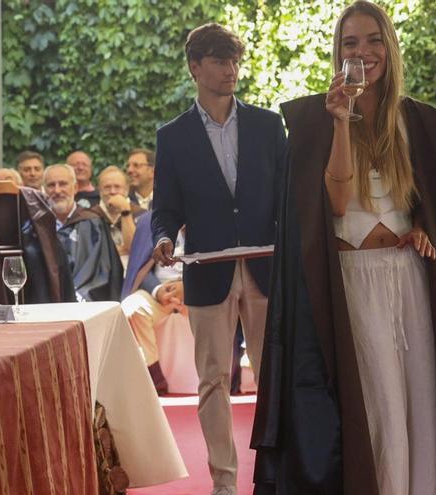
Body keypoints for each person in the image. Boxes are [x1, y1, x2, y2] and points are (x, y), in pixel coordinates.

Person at [250, 2, 436, 494]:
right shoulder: (314, 120)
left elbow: (429, 203)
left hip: (408, 276)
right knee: (374, 403)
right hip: (352, 283)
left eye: (374, 40)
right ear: (338, 52)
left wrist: (422, 227)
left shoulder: (415, 120)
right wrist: (340, 122)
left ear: (389, 47)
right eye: (351, 42)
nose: (363, 52)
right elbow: (333, 204)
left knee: (419, 397)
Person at [150, 23, 287, 495]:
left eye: (234, 61)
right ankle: (224, 483)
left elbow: (287, 195)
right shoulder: (172, 136)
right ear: (195, 67)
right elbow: (165, 207)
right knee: (212, 381)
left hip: (267, 267)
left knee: (274, 377)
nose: (230, 70)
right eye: (219, 61)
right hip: (206, 271)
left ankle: (278, 473)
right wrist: (163, 237)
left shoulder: (268, 125)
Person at [121, 214, 185, 394]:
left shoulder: (205, 216)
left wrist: (187, 286)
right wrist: (157, 290)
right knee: (132, 308)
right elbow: (139, 267)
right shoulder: (149, 221)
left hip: (196, 292)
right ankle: (154, 377)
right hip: (159, 293)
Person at [44, 163, 122, 301]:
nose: (57, 190)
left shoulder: (93, 223)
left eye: (63, 184)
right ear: (44, 190)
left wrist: (77, 296)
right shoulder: (37, 227)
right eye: (51, 185)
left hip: (86, 301)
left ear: (75, 188)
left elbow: (103, 271)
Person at [90, 165, 142, 260]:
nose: (113, 192)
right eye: (107, 187)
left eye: (117, 187)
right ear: (99, 190)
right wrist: (117, 251)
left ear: (126, 189)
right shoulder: (90, 216)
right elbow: (90, 252)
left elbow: (136, 249)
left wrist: (125, 210)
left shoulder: (141, 214)